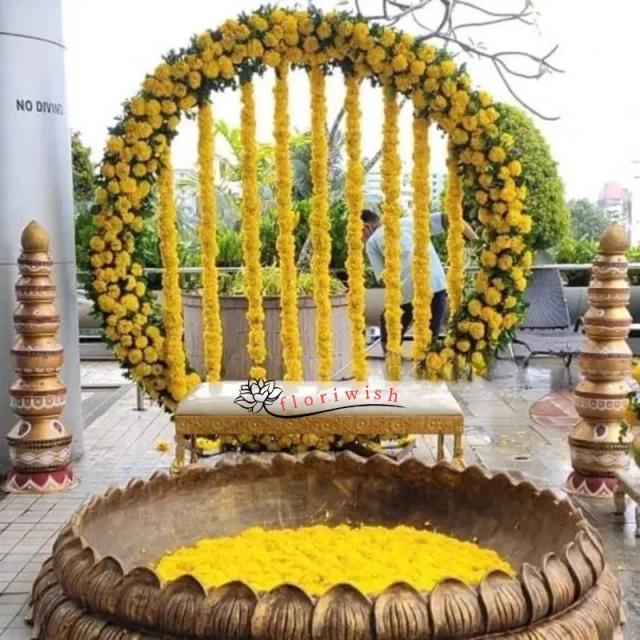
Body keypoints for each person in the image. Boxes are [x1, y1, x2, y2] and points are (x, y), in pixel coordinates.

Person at [362, 208, 477, 351]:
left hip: (409, 290)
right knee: (429, 342)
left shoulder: (372, 242)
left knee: (389, 333)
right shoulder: (410, 221)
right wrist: (476, 242)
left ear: (366, 227)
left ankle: (393, 361)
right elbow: (449, 217)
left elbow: (383, 280)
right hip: (437, 284)